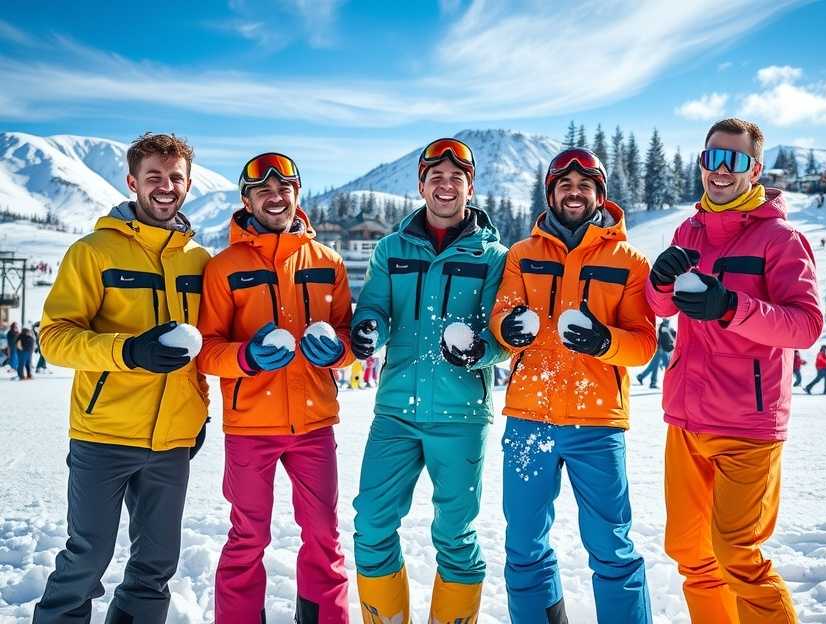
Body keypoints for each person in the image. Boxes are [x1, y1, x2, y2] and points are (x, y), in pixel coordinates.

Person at [646, 118, 822, 624]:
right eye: (713, 159)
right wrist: (659, 283)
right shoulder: (689, 230)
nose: (721, 171)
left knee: (737, 554)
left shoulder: (780, 239)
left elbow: (806, 325)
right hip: (686, 418)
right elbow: (662, 309)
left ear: (755, 169)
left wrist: (731, 307)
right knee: (689, 552)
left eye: (735, 160)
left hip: (748, 425)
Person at [34, 133, 211, 624]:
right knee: (85, 559)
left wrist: (200, 410)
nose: (165, 186)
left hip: (173, 439)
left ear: (189, 185)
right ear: (132, 182)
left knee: (156, 565)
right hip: (103, 433)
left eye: (175, 177)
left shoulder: (200, 261)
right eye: (153, 176)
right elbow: (54, 337)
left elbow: (208, 347)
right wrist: (128, 351)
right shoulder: (93, 252)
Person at [490, 147, 656, 623]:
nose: (575, 192)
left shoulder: (629, 260)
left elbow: (643, 344)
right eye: (564, 185)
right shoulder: (522, 255)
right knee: (523, 543)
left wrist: (604, 341)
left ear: (600, 194)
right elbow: (501, 315)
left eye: (585, 185)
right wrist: (509, 329)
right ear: (551, 193)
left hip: (598, 425)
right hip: (529, 419)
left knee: (612, 548)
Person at [350, 138, 508, 622]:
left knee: (455, 535)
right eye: (435, 177)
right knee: (372, 524)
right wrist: (365, 330)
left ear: (470, 185)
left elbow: (504, 332)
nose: (445, 185)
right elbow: (373, 306)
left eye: (455, 177)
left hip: (461, 415)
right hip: (396, 411)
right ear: (420, 185)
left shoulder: (494, 256)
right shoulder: (390, 249)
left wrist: (484, 349)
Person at [197, 152, 354, 624]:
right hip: (250, 426)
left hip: (313, 424)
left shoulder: (328, 261)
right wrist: (246, 357)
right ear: (246, 199)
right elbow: (205, 349)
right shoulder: (223, 266)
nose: (274, 195)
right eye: (262, 189)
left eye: (284, 187)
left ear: (298, 195)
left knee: (324, 534)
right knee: (248, 536)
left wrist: (339, 353)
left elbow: (346, 333)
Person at [636, 318, 675, 389]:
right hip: (661, 350)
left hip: (663, 350)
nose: (667, 321)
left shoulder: (668, 327)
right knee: (668, 366)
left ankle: (644, 378)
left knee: (654, 366)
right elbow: (661, 339)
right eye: (666, 319)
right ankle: (671, 383)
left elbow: (673, 335)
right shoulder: (663, 327)